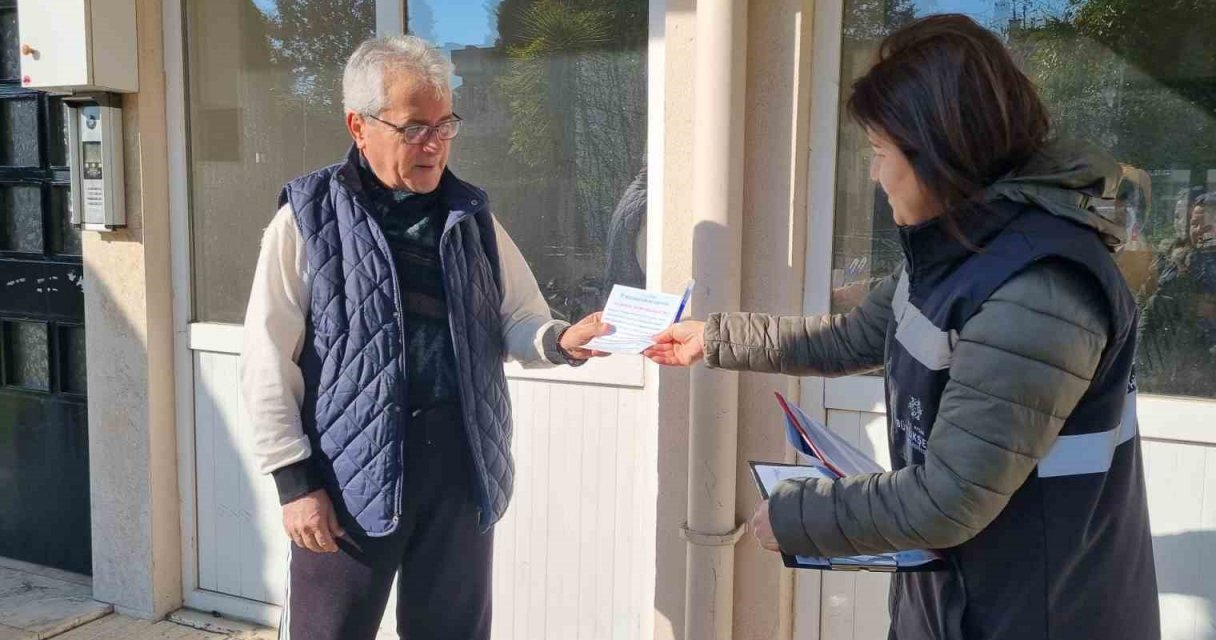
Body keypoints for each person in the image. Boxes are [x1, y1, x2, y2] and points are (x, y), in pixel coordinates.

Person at [645, 15, 1160, 640]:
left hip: (1036, 611)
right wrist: (715, 337)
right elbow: (853, 337)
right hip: (957, 597)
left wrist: (799, 515)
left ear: (939, 153)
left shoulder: (1036, 288)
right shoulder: (960, 251)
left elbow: (949, 499)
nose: (872, 174)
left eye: (879, 153)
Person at [240, 35, 610, 640]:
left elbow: (517, 316)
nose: (434, 144)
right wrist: (294, 482)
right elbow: (265, 359)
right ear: (359, 126)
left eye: (445, 125)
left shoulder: (472, 215)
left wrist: (561, 340)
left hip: (460, 467)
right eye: (414, 128)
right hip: (346, 476)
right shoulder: (305, 219)